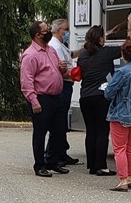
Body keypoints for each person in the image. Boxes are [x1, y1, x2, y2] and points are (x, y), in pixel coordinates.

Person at [20, 21, 70, 177]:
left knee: (59, 131)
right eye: (46, 30)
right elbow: (26, 81)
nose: (49, 31)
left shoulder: (50, 50)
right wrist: (34, 101)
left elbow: (57, 72)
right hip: (41, 98)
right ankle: (40, 165)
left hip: (56, 97)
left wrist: (62, 68)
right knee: (40, 133)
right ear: (38, 35)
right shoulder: (30, 55)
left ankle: (52, 161)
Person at [77, 24, 125, 176]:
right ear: (100, 38)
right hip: (100, 96)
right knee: (102, 131)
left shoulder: (83, 55)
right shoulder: (106, 52)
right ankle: (101, 166)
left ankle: (92, 165)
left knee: (91, 132)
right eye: (103, 36)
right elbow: (128, 47)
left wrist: (109, 33)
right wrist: (129, 29)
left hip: (85, 97)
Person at [104, 38, 131, 192]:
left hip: (121, 113)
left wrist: (107, 87)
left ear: (123, 54)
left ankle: (122, 179)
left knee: (119, 149)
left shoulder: (122, 72)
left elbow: (109, 93)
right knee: (130, 147)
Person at [44, 19, 80, 166]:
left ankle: (61, 152)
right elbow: (59, 71)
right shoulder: (55, 46)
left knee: (62, 121)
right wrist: (75, 74)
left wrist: (85, 48)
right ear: (59, 30)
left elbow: (70, 55)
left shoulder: (61, 45)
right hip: (63, 86)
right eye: (66, 29)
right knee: (58, 122)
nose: (67, 32)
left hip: (67, 85)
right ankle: (53, 155)